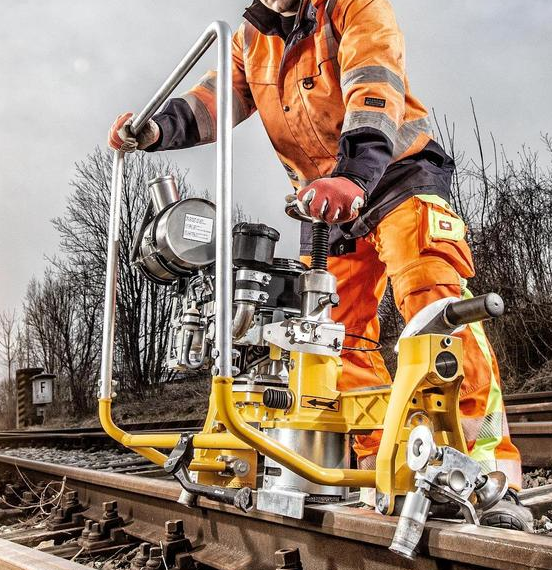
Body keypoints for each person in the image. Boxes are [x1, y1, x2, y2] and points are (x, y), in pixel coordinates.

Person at [108, 0, 531, 529]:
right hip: (326, 200)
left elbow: (373, 87)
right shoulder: (250, 42)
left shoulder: (354, 6)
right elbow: (211, 102)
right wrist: (153, 129)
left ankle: (484, 476)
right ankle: (385, 468)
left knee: (434, 303)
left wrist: (353, 175)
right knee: (331, 336)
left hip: (395, 174)